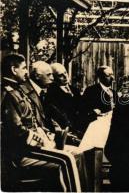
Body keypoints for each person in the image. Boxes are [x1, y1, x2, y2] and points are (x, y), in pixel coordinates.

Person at [1, 54, 80, 191]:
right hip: (22, 151)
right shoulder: (7, 93)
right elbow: (16, 130)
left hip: (30, 147)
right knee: (66, 159)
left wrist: (47, 134)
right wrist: (42, 140)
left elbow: (33, 120)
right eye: (24, 68)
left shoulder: (18, 90)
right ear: (14, 70)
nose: (27, 72)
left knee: (73, 155)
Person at [46, 63, 83, 138]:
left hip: (81, 128)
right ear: (53, 77)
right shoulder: (51, 93)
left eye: (65, 73)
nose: (65, 76)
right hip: (68, 133)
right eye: (60, 75)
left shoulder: (75, 90)